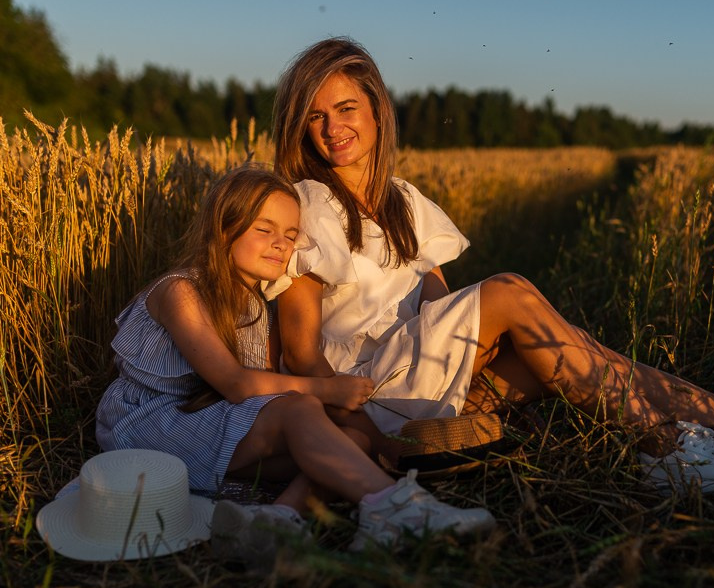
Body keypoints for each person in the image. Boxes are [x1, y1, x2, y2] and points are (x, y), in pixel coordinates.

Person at [270, 38, 714, 496]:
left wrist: (517, 357)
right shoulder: (307, 207)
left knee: (585, 355)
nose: (333, 128)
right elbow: (302, 357)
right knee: (514, 293)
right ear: (300, 127)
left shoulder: (403, 201)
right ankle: (677, 455)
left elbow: (439, 313)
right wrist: (363, 437)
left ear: (377, 110)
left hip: (426, 382)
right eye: (317, 116)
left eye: (346, 108)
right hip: (373, 396)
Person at [94, 166, 496, 567]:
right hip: (150, 424)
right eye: (264, 230)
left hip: (210, 422)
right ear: (223, 227)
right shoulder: (180, 291)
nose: (280, 244)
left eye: (290, 235)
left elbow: (265, 389)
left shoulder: (259, 309)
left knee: (350, 442)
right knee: (300, 408)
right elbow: (236, 384)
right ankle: (400, 509)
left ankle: (277, 521)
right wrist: (328, 389)